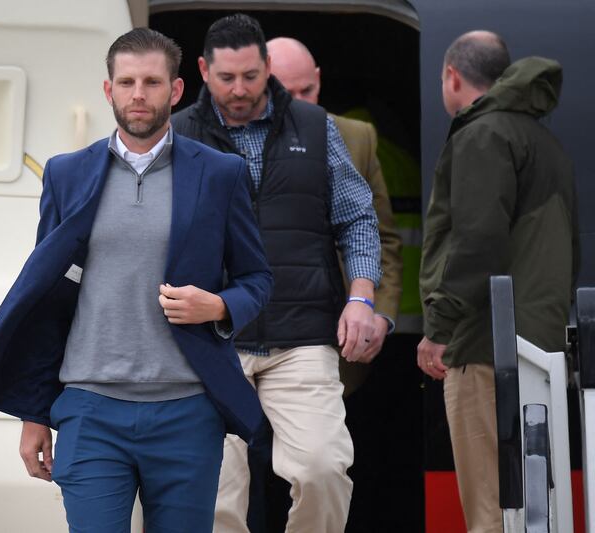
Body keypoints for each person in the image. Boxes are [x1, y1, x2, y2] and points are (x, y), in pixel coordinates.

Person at [0, 27, 273, 531]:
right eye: (127, 82)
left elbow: (256, 278)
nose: (139, 94)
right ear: (108, 90)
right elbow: (46, 300)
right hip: (89, 411)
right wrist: (33, 412)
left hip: (188, 411)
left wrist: (217, 306)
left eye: (152, 82)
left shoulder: (220, 173)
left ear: (176, 91)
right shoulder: (66, 174)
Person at [171, 14, 381, 532]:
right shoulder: (177, 135)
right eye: (226, 78)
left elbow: (357, 216)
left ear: (267, 67)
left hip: (303, 336)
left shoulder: (314, 126)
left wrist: (361, 298)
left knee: (323, 469)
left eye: (250, 75)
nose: (239, 90)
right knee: (214, 489)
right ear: (203, 70)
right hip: (210, 340)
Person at [418, 31, 579, 533]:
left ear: (452, 76)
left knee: (490, 504)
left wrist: (439, 328)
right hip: (538, 346)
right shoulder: (541, 140)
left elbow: (476, 242)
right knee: (537, 506)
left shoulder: (482, 136)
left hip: (485, 346)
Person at [266, 35, 405, 531]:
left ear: (319, 80)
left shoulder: (357, 137)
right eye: (286, 92)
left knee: (329, 470)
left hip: (336, 346)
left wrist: (378, 312)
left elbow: (382, 237)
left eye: (307, 90)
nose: (299, 103)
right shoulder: (223, 136)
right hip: (246, 338)